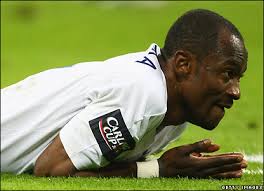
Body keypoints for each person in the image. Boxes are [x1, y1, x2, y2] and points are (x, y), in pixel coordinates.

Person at [1, 9, 248, 179]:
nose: (236, 91)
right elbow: (51, 169)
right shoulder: (144, 92)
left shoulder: (175, 117)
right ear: (184, 65)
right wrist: (159, 169)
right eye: (227, 74)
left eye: (239, 78)